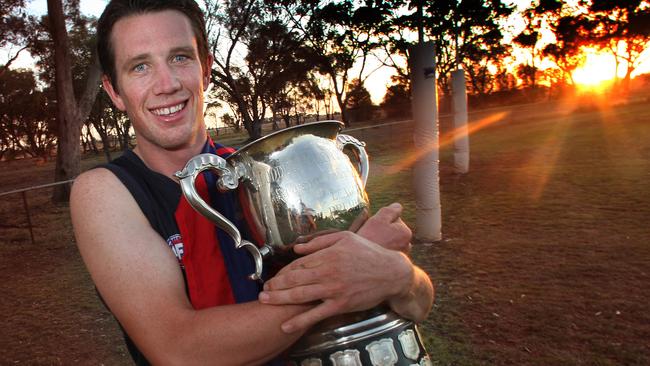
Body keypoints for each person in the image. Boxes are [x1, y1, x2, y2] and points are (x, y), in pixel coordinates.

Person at [70, 0, 434, 364]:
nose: (167, 84)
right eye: (140, 66)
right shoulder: (106, 192)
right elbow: (179, 350)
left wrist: (401, 275)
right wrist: (346, 274)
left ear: (206, 69)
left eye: (180, 57)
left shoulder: (266, 171)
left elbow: (417, 302)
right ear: (115, 91)